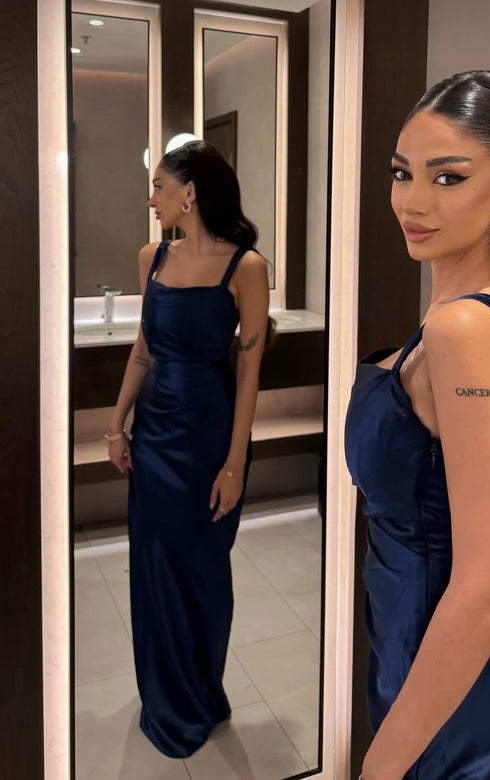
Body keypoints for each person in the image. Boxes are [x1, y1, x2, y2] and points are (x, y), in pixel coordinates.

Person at [345, 70, 490, 779]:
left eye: (448, 177)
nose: (412, 201)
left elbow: (488, 587)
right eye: (402, 173)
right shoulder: (466, 314)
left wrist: (381, 765)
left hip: (452, 678)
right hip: (425, 650)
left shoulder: (464, 328)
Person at [105, 140, 270, 757]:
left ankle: (200, 694)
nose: (151, 199)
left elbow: (249, 373)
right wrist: (117, 423)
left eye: (158, 186)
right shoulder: (151, 257)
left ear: (189, 193)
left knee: (202, 571)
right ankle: (165, 699)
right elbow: (143, 348)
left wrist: (235, 463)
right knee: (155, 568)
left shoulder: (247, 268)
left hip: (210, 438)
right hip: (154, 438)